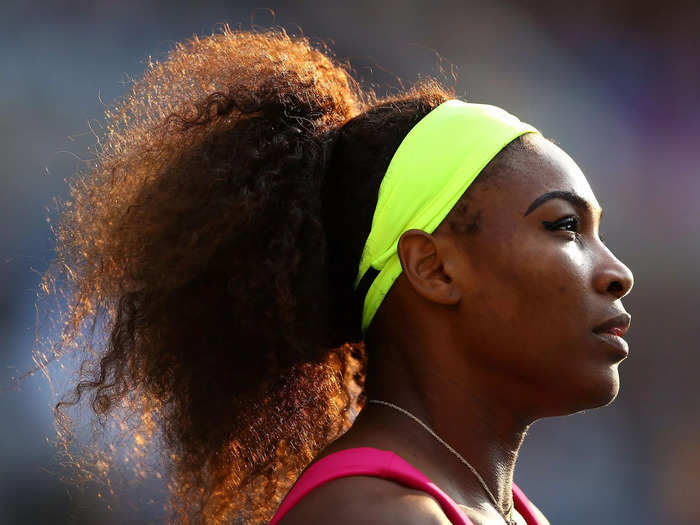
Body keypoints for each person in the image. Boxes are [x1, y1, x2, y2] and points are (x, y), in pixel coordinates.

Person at [44, 27, 633, 525]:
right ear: (433, 268)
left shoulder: (499, 510)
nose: (617, 273)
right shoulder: (378, 513)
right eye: (563, 226)